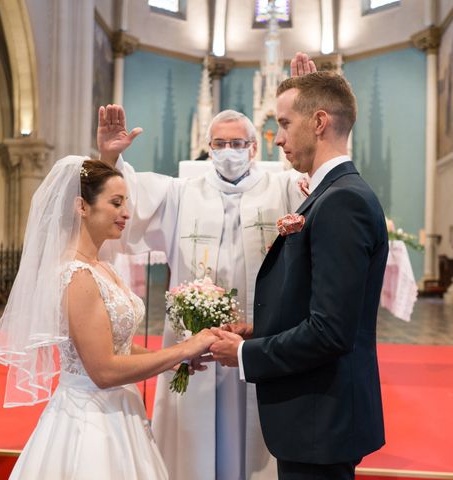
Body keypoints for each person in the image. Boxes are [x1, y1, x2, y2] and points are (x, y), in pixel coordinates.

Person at [96, 53, 315, 480]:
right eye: (220, 144)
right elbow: (129, 199)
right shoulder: (182, 193)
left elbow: (321, 173)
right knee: (194, 441)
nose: (229, 152)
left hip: (259, 336)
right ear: (207, 147)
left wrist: (306, 104)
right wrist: (110, 158)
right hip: (194, 342)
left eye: (238, 144)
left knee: (257, 436)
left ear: (255, 147)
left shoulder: (285, 186)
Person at [210, 70, 389, 479]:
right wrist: (261, 331)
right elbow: (320, 303)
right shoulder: (332, 194)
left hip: (319, 416)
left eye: (285, 123)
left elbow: (330, 331)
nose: (276, 138)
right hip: (316, 415)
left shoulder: (342, 201)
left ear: (320, 122)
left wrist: (242, 354)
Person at [0, 157, 216, 479]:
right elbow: (103, 370)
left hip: (120, 408)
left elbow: (118, 346)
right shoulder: (77, 275)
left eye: (126, 203)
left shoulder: (102, 266)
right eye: (116, 203)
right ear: (82, 206)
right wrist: (183, 349)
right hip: (89, 418)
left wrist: (172, 360)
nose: (126, 213)